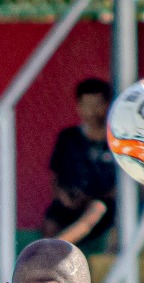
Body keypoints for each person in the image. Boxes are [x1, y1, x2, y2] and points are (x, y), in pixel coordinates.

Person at [43, 78, 118, 246]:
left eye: (97, 104)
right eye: (86, 104)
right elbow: (55, 173)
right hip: (71, 203)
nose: (92, 111)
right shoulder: (68, 138)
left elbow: (125, 183)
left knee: (96, 210)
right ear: (78, 106)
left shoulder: (117, 139)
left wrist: (98, 197)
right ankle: (49, 252)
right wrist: (63, 197)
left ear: (108, 105)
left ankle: (52, 250)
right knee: (51, 220)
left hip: (105, 206)